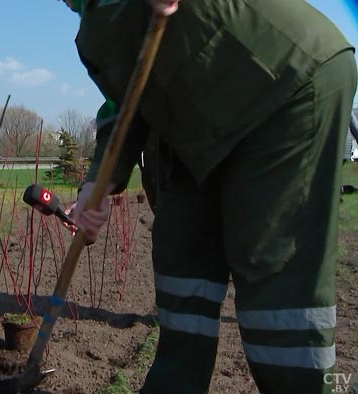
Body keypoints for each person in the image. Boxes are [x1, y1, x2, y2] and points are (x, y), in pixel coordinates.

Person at [64, 0, 357, 392]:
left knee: (275, 273)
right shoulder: (95, 30)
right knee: (181, 258)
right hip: (198, 121)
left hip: (282, 83)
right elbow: (126, 103)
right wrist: (96, 185)